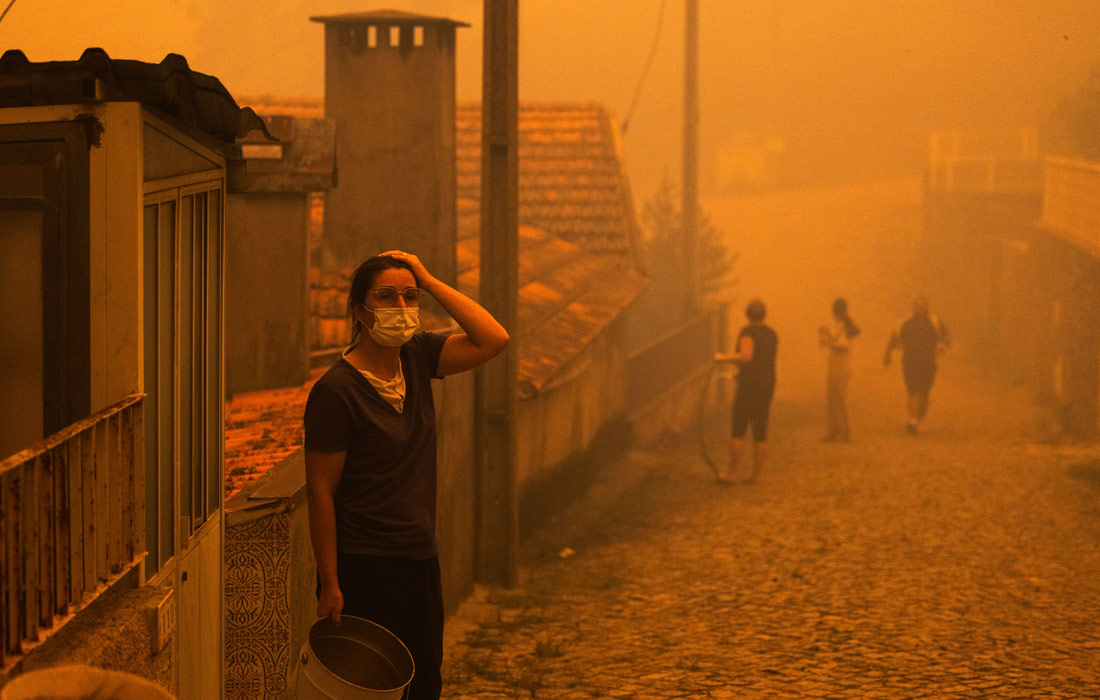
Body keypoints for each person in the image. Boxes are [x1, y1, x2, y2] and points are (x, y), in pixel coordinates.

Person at [304, 251, 509, 700]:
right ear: (359, 310)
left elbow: (493, 338)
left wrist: (432, 281)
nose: (400, 307)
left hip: (419, 559)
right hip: (365, 566)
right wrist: (331, 582)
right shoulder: (335, 392)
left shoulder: (416, 357)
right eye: (386, 297)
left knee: (424, 684)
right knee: (373, 689)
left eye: (408, 296)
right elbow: (321, 492)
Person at [714, 298, 778, 484]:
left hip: (749, 386)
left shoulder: (748, 331)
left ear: (747, 314)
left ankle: (732, 473)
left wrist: (722, 357)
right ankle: (755, 475)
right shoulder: (772, 334)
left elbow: (746, 356)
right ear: (764, 314)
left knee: (739, 429)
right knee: (760, 431)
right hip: (767, 385)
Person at [883, 295, 950, 435]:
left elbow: (946, 336)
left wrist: (943, 345)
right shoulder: (905, 322)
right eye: (917, 306)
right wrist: (887, 355)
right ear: (913, 307)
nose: (920, 308)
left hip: (928, 362)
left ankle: (919, 419)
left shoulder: (934, 322)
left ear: (927, 307)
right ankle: (912, 420)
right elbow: (894, 338)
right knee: (913, 390)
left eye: (923, 305)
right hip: (910, 361)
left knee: (925, 393)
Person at [818, 297, 860, 442]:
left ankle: (845, 431)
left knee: (840, 397)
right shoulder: (838, 324)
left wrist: (826, 340)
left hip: (841, 363)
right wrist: (826, 336)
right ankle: (834, 430)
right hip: (835, 362)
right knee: (831, 397)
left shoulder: (845, 325)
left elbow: (842, 346)